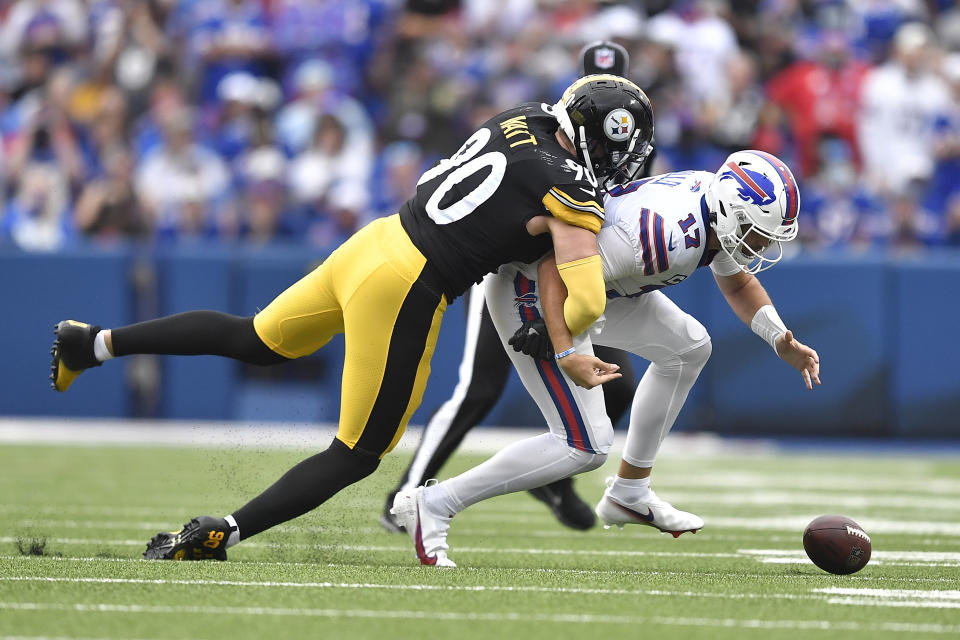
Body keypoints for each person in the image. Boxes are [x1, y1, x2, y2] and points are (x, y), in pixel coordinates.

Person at [49, 74, 655, 560]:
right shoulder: (571, 190)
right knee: (358, 453)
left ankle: (93, 344)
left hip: (377, 240)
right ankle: (222, 532)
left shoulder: (520, 116)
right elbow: (586, 301)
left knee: (254, 338)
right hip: (410, 284)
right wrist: (583, 294)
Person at [392, 150, 820, 567]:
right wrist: (563, 348)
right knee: (585, 445)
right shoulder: (662, 236)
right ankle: (433, 503)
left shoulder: (710, 208)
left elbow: (739, 285)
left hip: (593, 287)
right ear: (730, 210)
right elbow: (554, 266)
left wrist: (779, 337)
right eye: (758, 231)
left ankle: (630, 492)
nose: (761, 243)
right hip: (535, 290)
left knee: (689, 348)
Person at [379, 40, 641, 534]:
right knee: (477, 390)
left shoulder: (627, 139)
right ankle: (406, 494)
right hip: (509, 273)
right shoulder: (551, 136)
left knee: (618, 383)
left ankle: (555, 481)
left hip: (573, 279)